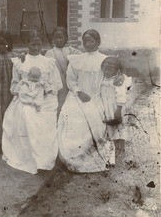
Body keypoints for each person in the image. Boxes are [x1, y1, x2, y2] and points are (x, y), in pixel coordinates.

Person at [2, 31, 62, 174]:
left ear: (43, 44)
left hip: (45, 100)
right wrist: (24, 93)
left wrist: (46, 92)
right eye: (32, 44)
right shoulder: (20, 62)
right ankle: (29, 159)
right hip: (25, 99)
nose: (36, 47)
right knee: (25, 115)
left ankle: (44, 160)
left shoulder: (48, 62)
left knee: (45, 121)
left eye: (39, 44)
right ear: (26, 44)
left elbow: (56, 84)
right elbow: (15, 84)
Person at [58, 29, 114, 173]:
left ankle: (95, 154)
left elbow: (108, 80)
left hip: (96, 97)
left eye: (91, 41)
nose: (87, 44)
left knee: (97, 119)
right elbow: (70, 79)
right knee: (74, 120)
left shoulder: (104, 60)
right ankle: (74, 157)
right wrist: (78, 92)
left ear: (98, 42)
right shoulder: (77, 59)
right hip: (77, 96)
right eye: (85, 42)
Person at [100, 56, 132, 158]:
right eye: (105, 69)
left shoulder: (118, 80)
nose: (107, 71)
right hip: (107, 106)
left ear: (117, 70)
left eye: (110, 69)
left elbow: (121, 96)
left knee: (120, 126)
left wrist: (118, 110)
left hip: (116, 107)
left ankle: (121, 148)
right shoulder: (103, 78)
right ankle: (113, 148)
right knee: (111, 128)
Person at [45, 27, 81, 116]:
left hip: (69, 81)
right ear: (52, 38)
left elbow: (82, 57)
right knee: (58, 104)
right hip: (57, 82)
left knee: (70, 104)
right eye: (56, 37)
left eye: (61, 37)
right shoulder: (49, 53)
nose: (58, 40)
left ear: (66, 38)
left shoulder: (71, 50)